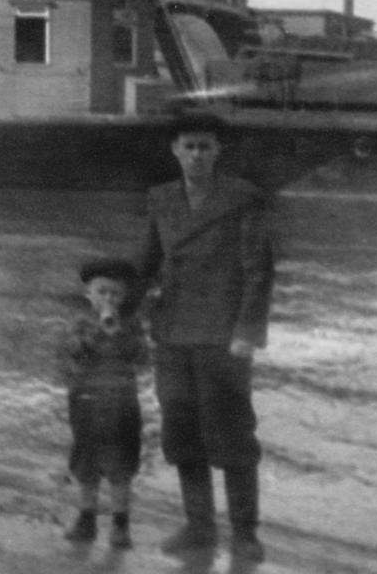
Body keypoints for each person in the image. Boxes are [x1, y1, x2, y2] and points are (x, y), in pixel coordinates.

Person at [136, 112, 275, 563]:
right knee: (182, 433)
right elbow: (147, 262)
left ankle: (245, 533)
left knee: (233, 435)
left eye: (205, 147)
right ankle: (199, 528)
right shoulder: (162, 198)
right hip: (173, 332)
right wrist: (116, 311)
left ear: (218, 151)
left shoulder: (242, 198)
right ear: (175, 150)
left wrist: (247, 333)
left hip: (222, 336)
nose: (196, 155)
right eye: (189, 146)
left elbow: (258, 271)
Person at [60, 258, 150, 549]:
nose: (108, 299)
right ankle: (86, 519)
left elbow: (142, 358)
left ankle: (121, 525)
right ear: (89, 293)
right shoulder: (78, 321)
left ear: (124, 297)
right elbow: (75, 354)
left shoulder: (132, 323)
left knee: (122, 463)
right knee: (86, 461)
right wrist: (100, 329)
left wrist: (121, 332)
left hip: (122, 404)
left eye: (115, 294)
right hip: (86, 402)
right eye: (101, 292)